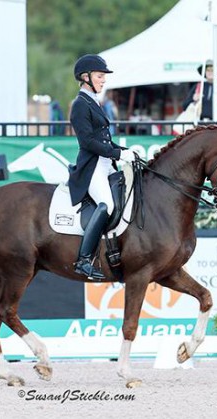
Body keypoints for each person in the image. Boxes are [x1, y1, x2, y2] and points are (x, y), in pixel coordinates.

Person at [68, 54, 135, 280]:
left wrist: (124, 151)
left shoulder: (93, 102)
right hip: (92, 167)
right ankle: (84, 259)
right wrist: (117, 153)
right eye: (99, 76)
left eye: (103, 76)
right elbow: (88, 142)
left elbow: (104, 140)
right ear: (85, 77)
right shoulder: (80, 105)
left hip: (106, 164)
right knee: (105, 204)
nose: (103, 80)